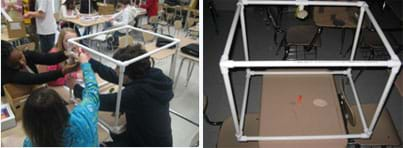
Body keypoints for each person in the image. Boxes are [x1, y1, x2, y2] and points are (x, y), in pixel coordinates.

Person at [71, 44, 174, 146]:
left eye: (118, 68)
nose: (116, 70)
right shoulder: (149, 75)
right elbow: (114, 75)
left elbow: (99, 101)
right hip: (148, 136)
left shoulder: (137, 93)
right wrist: (90, 61)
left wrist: (76, 88)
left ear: (129, 72)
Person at [22, 50, 100, 146]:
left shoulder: (30, 143)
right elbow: (92, 92)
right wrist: (85, 64)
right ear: (62, 107)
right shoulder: (83, 117)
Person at [1, 40, 78, 95]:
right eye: (15, 64)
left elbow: (48, 58)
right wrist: (63, 71)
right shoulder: (6, 74)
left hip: (31, 90)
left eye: (20, 57)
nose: (22, 63)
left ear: (18, 49)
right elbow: (35, 79)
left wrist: (66, 53)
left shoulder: (27, 55)